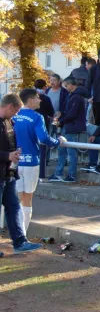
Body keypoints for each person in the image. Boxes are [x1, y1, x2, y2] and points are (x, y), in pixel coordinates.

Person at [14, 89, 64, 234]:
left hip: (14, 161)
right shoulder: (37, 117)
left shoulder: (14, 115)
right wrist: (57, 141)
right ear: (30, 100)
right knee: (27, 197)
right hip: (31, 162)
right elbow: (43, 138)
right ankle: (22, 235)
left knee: (15, 198)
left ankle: (16, 233)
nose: (40, 101)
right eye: (37, 98)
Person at [0, 93, 42, 253]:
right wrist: (7, 156)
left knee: (14, 207)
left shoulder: (9, 122)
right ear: (10, 107)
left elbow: (10, 144)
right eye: (16, 111)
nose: (17, 115)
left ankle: (20, 242)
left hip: (8, 174)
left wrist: (14, 155)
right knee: (13, 207)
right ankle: (20, 241)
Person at [49, 77, 87, 182]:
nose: (65, 88)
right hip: (67, 125)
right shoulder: (71, 96)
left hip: (72, 126)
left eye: (66, 85)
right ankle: (58, 173)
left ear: (71, 85)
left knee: (71, 151)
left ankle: (71, 175)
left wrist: (61, 121)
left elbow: (72, 114)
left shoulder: (77, 97)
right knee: (62, 149)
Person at [34, 79, 55, 179]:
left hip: (30, 126)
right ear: (44, 87)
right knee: (42, 150)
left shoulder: (29, 96)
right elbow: (51, 112)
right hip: (43, 124)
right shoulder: (45, 98)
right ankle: (41, 174)